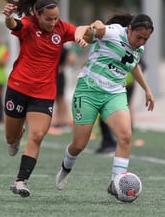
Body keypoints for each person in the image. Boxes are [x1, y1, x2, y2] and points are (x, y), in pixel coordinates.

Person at [1, 0, 92, 198]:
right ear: (37, 15)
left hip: (43, 93)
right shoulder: (28, 25)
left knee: (38, 135)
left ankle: (21, 181)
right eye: (48, 19)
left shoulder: (61, 28)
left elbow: (81, 30)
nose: (53, 23)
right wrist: (8, 17)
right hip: (18, 88)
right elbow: (13, 25)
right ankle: (16, 138)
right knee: (10, 137)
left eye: (56, 18)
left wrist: (85, 34)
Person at [55, 13, 155, 198]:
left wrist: (147, 89)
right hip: (88, 91)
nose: (141, 42)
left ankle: (116, 184)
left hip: (114, 93)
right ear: (129, 29)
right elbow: (91, 30)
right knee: (79, 144)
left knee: (125, 136)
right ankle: (65, 168)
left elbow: (133, 64)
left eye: (146, 39)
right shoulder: (114, 32)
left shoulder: (138, 48)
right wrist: (92, 29)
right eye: (139, 37)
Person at [95, 14, 147, 154]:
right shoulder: (112, 42)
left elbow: (139, 66)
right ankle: (110, 140)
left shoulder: (135, 47)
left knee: (124, 107)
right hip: (107, 85)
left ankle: (121, 137)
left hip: (124, 85)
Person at [51, 46, 76, 129]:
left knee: (60, 98)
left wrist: (62, 67)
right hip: (51, 75)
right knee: (56, 98)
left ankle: (63, 120)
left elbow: (72, 59)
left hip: (59, 76)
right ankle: (60, 120)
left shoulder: (63, 48)